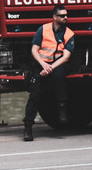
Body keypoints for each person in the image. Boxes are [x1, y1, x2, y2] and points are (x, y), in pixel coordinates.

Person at [22, 5, 74, 142]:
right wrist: (43, 65)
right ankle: (28, 127)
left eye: (66, 15)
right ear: (55, 17)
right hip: (41, 64)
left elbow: (66, 57)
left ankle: (62, 108)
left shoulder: (69, 33)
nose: (66, 18)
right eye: (62, 16)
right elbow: (34, 50)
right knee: (35, 92)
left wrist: (50, 67)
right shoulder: (43, 29)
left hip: (58, 64)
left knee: (59, 77)